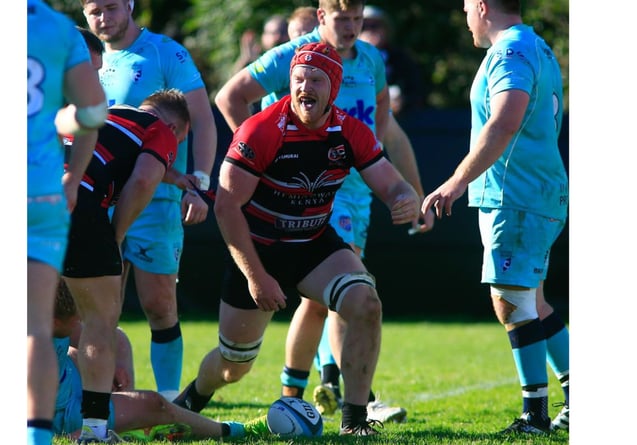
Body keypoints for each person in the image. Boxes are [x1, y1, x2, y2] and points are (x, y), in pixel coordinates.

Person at [176, 41, 421, 436]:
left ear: (334, 89)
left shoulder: (349, 130)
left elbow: (391, 184)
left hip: (313, 243)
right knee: (232, 365)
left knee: (366, 303)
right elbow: (225, 207)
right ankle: (189, 402)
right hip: (257, 248)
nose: (305, 87)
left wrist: (404, 198)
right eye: (299, 78)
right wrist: (256, 277)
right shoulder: (261, 129)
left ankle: (355, 421)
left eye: (316, 79)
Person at [421, 0, 569, 434]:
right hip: (533, 194)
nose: (465, 14)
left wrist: (455, 181)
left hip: (517, 197)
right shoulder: (537, 46)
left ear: (482, 6)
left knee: (511, 302)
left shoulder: (510, 52)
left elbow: (504, 121)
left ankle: (535, 416)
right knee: (532, 302)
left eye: (467, 6)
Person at [284, 5, 431, 421]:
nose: (350, 27)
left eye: (356, 18)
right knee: (351, 292)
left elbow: (385, 134)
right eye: (341, 17)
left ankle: (303, 393)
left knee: (322, 302)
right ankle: (355, 404)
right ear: (321, 15)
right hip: (314, 195)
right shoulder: (295, 55)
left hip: (356, 198)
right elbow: (235, 97)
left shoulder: (370, 62)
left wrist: (414, 194)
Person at [80, 0, 217, 403]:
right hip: (97, 201)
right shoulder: (80, 55)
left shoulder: (165, 53)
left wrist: (200, 185)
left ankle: (169, 403)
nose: (104, 18)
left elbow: (204, 120)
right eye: (95, 11)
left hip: (157, 200)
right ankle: (101, 402)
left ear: (130, 5)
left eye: (111, 7)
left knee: (159, 304)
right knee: (98, 310)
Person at [61, 88, 199, 443]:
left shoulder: (113, 113)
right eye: (178, 143)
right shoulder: (162, 130)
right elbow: (143, 178)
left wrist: (177, 178)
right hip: (78, 204)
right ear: (174, 126)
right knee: (101, 322)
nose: (173, 154)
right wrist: (116, 235)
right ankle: (94, 431)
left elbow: (119, 157)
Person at [27, 1, 107, 444]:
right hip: (40, 189)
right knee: (35, 327)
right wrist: (73, 178)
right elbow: (94, 112)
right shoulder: (57, 28)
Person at [52, 279, 268, 442]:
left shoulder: (43, 302)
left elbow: (91, 336)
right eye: (77, 317)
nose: (81, 319)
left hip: (68, 382)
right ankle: (235, 430)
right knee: (157, 405)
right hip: (61, 413)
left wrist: (105, 363)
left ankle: (123, 423)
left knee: (115, 339)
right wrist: (73, 435)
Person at [359, 5, 428, 115]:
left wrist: (403, 101)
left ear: (386, 29)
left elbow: (418, 92)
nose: (370, 31)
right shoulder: (345, 60)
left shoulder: (402, 59)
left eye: (375, 26)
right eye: (363, 27)